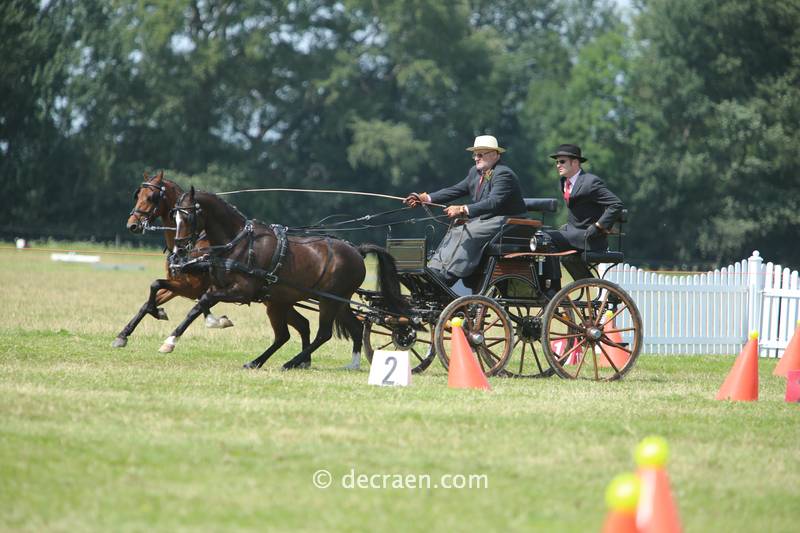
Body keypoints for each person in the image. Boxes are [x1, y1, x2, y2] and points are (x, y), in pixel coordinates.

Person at [404, 135, 527, 287]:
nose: (476, 158)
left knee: (466, 231)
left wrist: (462, 209)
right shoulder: (475, 173)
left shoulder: (503, 174)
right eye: (475, 154)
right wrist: (426, 198)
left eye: (480, 154)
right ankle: (434, 270)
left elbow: (493, 202)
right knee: (457, 229)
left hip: (510, 221)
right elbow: (455, 190)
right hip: (488, 220)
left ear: (495, 154)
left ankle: (448, 276)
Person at [541, 144, 623, 289]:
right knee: (541, 236)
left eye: (562, 161)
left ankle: (554, 289)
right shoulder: (563, 182)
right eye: (557, 162)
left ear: (575, 162)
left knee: (547, 237)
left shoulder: (590, 182)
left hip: (589, 238)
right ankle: (548, 286)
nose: (558, 165)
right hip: (573, 234)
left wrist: (598, 226)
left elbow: (615, 204)